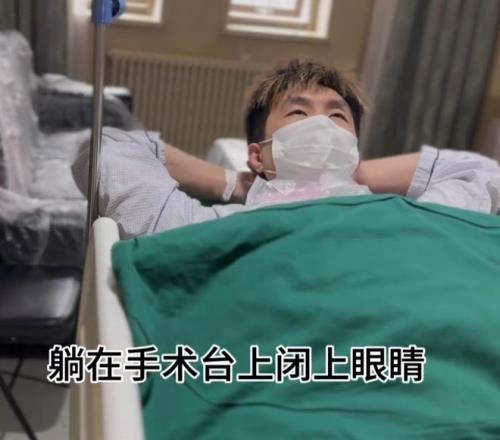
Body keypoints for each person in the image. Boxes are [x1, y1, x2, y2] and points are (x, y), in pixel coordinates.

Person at [72, 59, 500, 239]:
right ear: (258, 154)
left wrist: (358, 174)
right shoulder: (203, 227)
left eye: (337, 117)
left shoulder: (412, 225)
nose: (321, 125)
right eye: (298, 113)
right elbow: (105, 149)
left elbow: (480, 174)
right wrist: (232, 183)